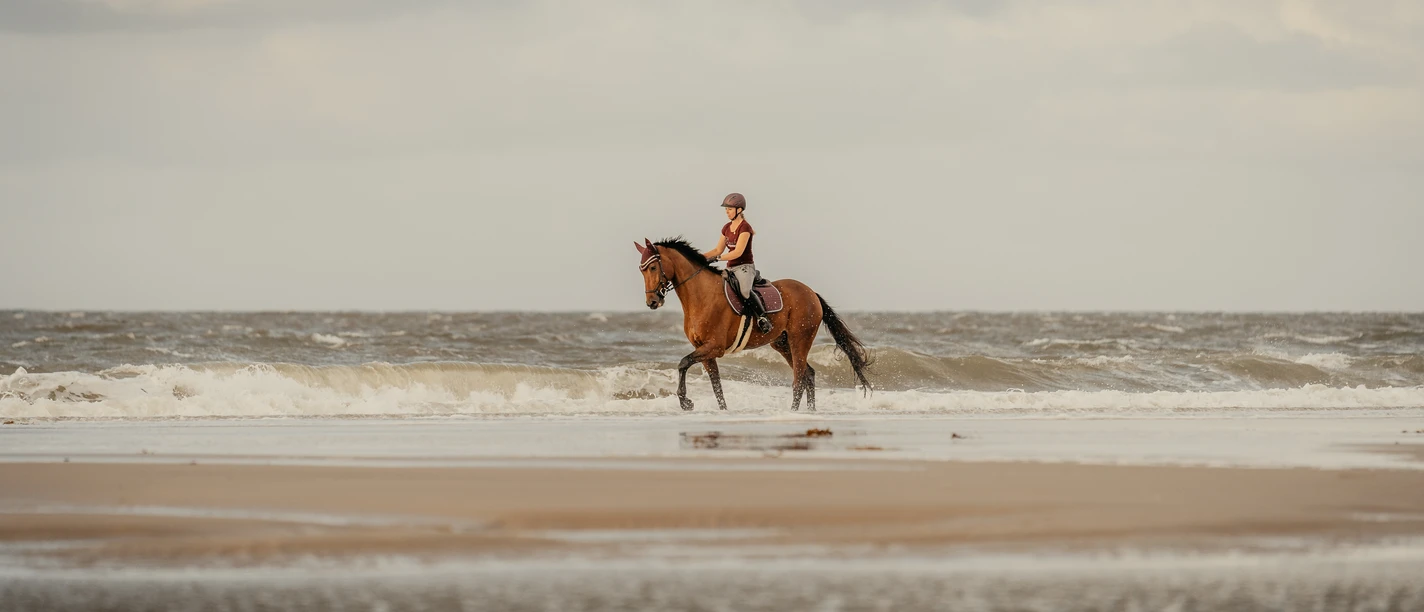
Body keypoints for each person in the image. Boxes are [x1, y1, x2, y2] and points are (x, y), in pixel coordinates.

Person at [703, 192, 772, 333]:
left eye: (729, 209)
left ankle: (762, 318)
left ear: (739, 210)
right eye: (726, 209)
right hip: (730, 268)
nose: (726, 212)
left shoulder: (745, 228)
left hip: (745, 268)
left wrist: (718, 259)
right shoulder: (726, 228)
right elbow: (717, 249)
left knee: (745, 291)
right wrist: (699, 257)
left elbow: (738, 252)